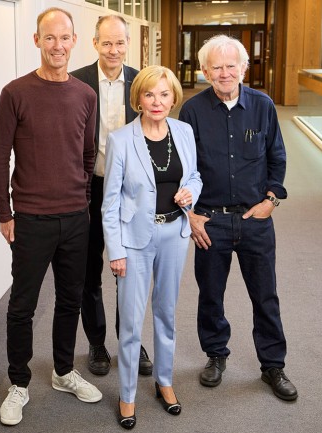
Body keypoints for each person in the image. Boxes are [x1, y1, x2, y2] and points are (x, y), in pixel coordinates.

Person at [0, 7, 101, 427]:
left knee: (70, 300)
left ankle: (62, 371)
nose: (58, 45)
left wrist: (83, 202)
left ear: (75, 41)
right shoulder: (15, 92)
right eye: (49, 38)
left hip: (76, 218)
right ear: (36, 41)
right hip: (31, 219)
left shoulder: (85, 95)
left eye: (65, 38)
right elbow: (0, 157)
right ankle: (18, 383)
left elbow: (87, 154)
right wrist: (6, 212)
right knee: (22, 306)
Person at [178, 34, 298, 402]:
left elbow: (277, 158)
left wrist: (271, 201)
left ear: (244, 68)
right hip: (210, 221)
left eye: (232, 66)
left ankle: (273, 365)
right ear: (204, 71)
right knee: (210, 294)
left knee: (265, 296)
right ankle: (216, 355)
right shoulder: (192, 110)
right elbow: (183, 168)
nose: (225, 73)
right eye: (217, 66)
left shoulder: (263, 106)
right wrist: (192, 215)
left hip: (255, 220)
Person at [102, 65, 202, 429]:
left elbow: (194, 175)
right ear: (138, 99)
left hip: (174, 234)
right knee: (130, 322)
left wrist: (192, 192)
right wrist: (115, 249)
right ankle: (127, 394)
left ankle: (164, 381)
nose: (157, 102)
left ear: (174, 98)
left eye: (164, 94)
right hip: (134, 242)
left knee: (166, 314)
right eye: (149, 94)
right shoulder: (120, 139)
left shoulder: (184, 132)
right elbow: (109, 203)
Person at [70, 14, 152, 378]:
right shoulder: (77, 82)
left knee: (129, 270)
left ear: (127, 43)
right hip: (91, 188)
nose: (114, 50)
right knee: (90, 270)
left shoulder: (143, 82)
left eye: (120, 43)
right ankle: (96, 342)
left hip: (131, 193)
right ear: (95, 44)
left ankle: (130, 339)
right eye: (107, 43)